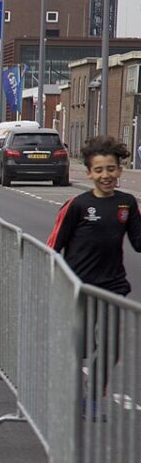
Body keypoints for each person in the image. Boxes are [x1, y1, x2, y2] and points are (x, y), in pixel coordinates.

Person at [47, 136, 141, 419]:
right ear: (89, 173)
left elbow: (138, 242)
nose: (106, 175)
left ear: (119, 171)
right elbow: (54, 245)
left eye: (111, 169)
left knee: (111, 348)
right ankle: (70, 393)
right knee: (81, 346)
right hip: (79, 286)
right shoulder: (76, 205)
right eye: (99, 170)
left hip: (113, 286)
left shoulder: (127, 204)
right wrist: (58, 280)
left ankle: (93, 395)